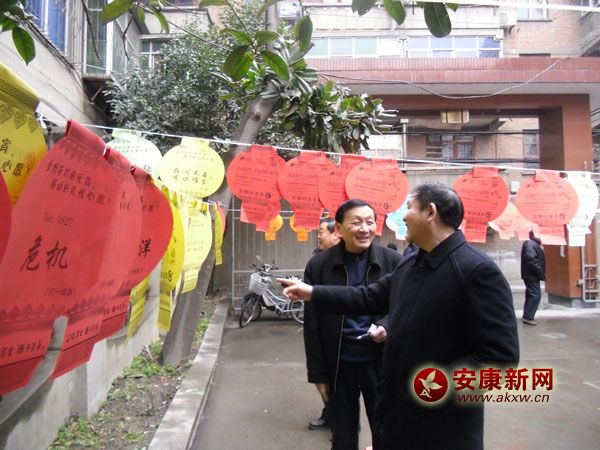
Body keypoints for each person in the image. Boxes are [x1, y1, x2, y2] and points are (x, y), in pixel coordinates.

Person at [282, 183, 519, 450]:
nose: (403, 216)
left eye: (409, 207)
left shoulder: (475, 270)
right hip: (398, 415)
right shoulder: (412, 262)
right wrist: (313, 292)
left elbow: (499, 358)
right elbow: (367, 297)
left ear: (430, 212)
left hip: (441, 427)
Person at [302, 199, 402, 448]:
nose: (364, 229)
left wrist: (387, 324)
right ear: (339, 228)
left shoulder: (393, 261)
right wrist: (318, 375)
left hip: (380, 363)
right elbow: (312, 326)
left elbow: (405, 306)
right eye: (356, 222)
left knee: (387, 430)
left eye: (370, 222)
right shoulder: (319, 265)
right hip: (338, 364)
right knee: (343, 434)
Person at [307, 217, 341, 430]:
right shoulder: (317, 262)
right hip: (321, 331)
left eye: (322, 232)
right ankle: (329, 414)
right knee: (324, 379)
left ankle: (343, 422)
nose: (318, 236)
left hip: (341, 335)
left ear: (336, 235)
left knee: (342, 384)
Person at [521, 230, 546, 325]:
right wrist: (540, 271)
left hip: (530, 274)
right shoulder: (530, 244)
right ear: (532, 235)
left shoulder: (532, 244)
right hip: (531, 275)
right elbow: (531, 260)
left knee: (531, 294)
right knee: (535, 295)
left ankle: (527, 316)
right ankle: (528, 317)